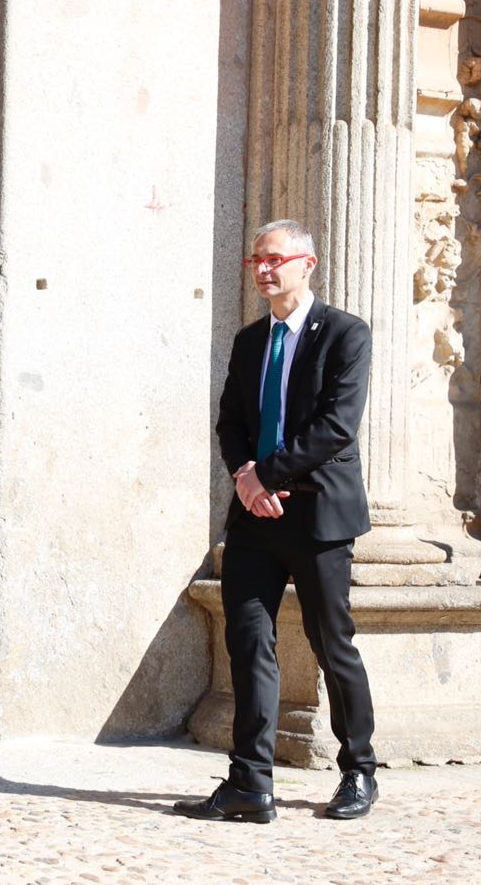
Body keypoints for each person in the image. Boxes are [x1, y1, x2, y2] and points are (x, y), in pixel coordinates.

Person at [175, 219, 378, 824]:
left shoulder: (346, 333)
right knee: (248, 643)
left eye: (275, 259)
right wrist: (245, 476)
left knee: (330, 643)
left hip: (317, 514)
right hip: (254, 518)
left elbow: (337, 426)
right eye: (256, 260)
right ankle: (249, 782)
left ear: (307, 264)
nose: (264, 270)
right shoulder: (248, 341)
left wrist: (269, 475)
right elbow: (231, 421)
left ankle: (360, 771)